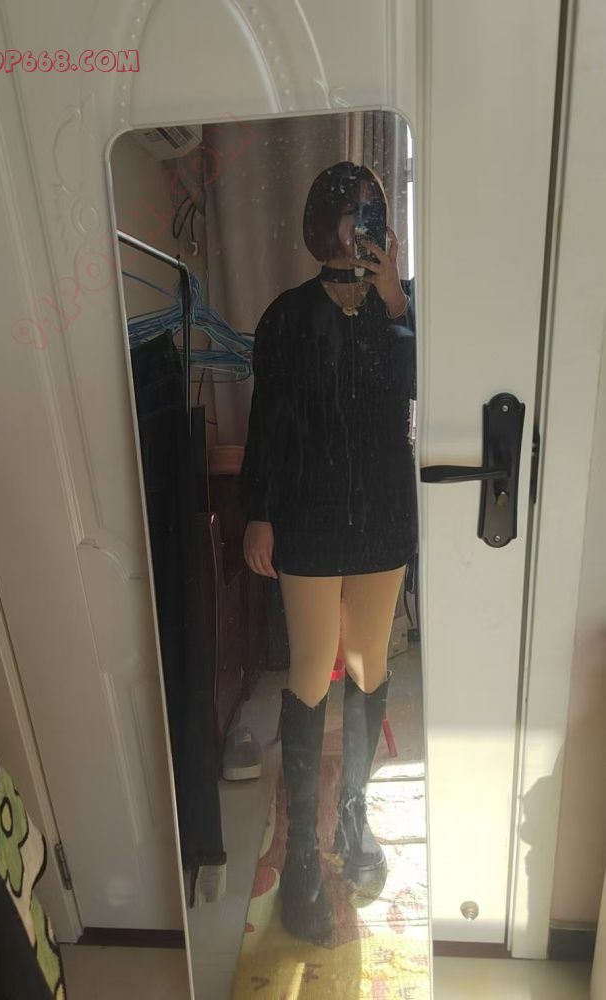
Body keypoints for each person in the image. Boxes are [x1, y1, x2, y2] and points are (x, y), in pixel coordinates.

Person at [240, 161, 417, 946]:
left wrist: (396, 303)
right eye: (350, 210)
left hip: (381, 511)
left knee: (369, 660)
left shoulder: (400, 309)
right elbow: (267, 422)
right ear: (322, 221)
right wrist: (258, 512)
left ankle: (353, 820)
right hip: (306, 513)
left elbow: (419, 391)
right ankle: (304, 859)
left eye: (372, 209)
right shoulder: (285, 316)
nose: (361, 223)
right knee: (313, 666)